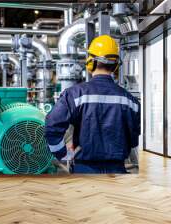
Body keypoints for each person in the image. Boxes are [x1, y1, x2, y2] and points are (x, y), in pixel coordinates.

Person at [45, 35, 141, 174]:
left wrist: (63, 154)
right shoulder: (130, 100)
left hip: (84, 170)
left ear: (90, 62)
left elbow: (51, 126)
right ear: (115, 64)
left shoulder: (75, 94)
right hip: (118, 170)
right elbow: (135, 139)